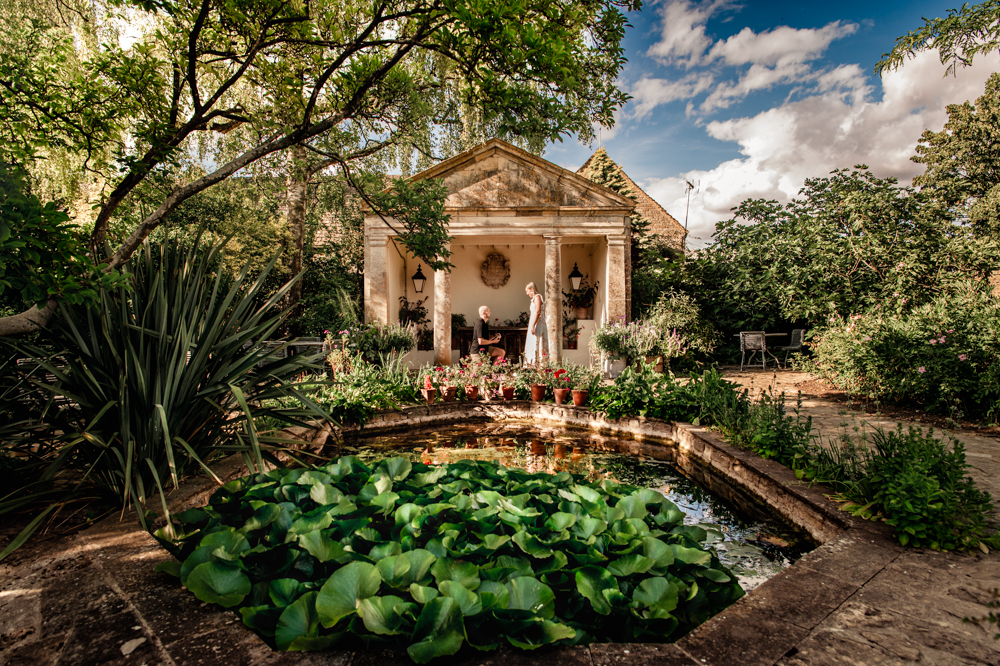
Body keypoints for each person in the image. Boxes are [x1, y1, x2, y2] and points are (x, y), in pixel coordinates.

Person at [523, 282, 548, 365]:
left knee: (538, 342)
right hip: (535, 323)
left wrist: (533, 325)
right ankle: (533, 363)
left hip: (538, 324)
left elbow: (538, 311)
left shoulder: (537, 297)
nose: (527, 293)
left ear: (532, 289)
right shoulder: (534, 298)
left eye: (527, 291)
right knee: (533, 343)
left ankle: (538, 363)